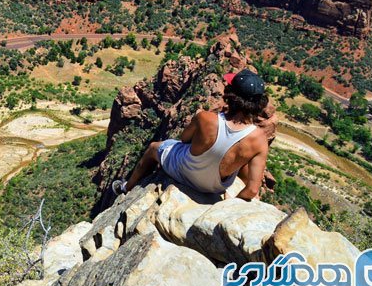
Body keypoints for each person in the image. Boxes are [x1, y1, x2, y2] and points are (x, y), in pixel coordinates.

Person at [112, 69, 271, 200]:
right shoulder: (260, 140)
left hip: (183, 172)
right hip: (214, 188)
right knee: (243, 156)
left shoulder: (205, 118)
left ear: (231, 95)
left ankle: (126, 187)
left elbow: (184, 139)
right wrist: (227, 206)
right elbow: (252, 190)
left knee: (154, 148)